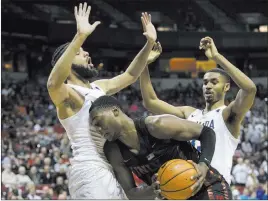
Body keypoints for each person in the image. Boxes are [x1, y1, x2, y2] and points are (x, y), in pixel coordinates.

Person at [47, 2, 157, 199]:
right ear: (68, 61)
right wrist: (79, 37)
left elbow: (131, 74)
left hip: (114, 168)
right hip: (90, 169)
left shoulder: (99, 87)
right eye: (80, 52)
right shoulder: (68, 94)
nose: (87, 53)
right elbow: (53, 82)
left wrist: (148, 45)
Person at [140, 38, 256, 189]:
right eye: (205, 82)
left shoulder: (228, 115)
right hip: (187, 186)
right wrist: (144, 64)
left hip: (215, 188)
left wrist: (216, 57)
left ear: (226, 87)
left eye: (214, 82)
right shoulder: (190, 113)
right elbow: (150, 102)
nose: (207, 86)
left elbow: (250, 89)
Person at [89, 95, 232, 200]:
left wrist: (203, 165)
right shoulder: (113, 151)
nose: (99, 130)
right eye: (95, 128)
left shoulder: (157, 125)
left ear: (115, 111)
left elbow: (206, 133)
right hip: (173, 197)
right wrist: (152, 191)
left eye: (98, 122)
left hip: (206, 186)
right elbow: (131, 194)